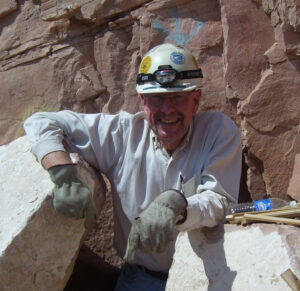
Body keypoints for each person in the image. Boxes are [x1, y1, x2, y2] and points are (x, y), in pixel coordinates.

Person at [24, 43, 242, 290]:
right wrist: (63, 174)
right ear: (142, 101)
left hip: (200, 274)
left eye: (177, 97)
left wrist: (177, 206)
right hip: (140, 278)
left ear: (196, 100)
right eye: (157, 98)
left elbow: (219, 200)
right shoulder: (121, 136)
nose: (167, 109)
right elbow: (40, 122)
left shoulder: (217, 132)